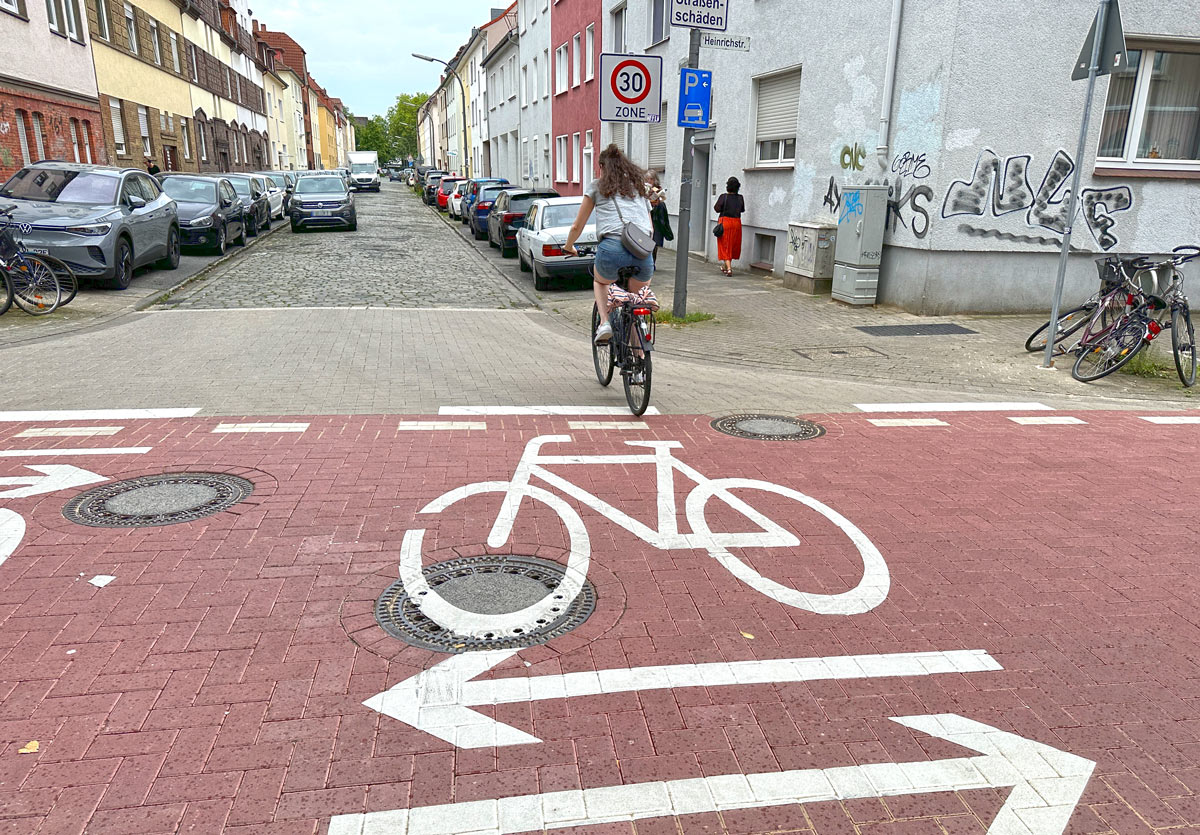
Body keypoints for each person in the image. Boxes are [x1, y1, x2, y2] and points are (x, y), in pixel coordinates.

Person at [564, 144, 654, 346]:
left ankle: (605, 322)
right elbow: (650, 229)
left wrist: (569, 246)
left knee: (601, 282)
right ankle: (640, 356)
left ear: (602, 167)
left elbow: (577, 225)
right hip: (643, 252)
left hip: (612, 248)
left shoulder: (597, 186)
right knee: (635, 302)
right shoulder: (639, 188)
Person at [714, 177, 745, 276]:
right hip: (736, 223)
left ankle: (729, 269)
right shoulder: (740, 198)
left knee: (724, 245)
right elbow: (742, 209)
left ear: (728, 186)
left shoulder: (724, 197)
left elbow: (717, 208)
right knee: (732, 245)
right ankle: (725, 266)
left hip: (725, 222)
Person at [646, 172, 673, 263]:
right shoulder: (643, 188)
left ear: (655, 180)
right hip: (647, 217)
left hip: (656, 218)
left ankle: (652, 262)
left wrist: (656, 199)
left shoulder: (656, 189)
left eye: (651, 179)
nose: (649, 181)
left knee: (654, 243)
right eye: (647, 179)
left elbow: (662, 199)